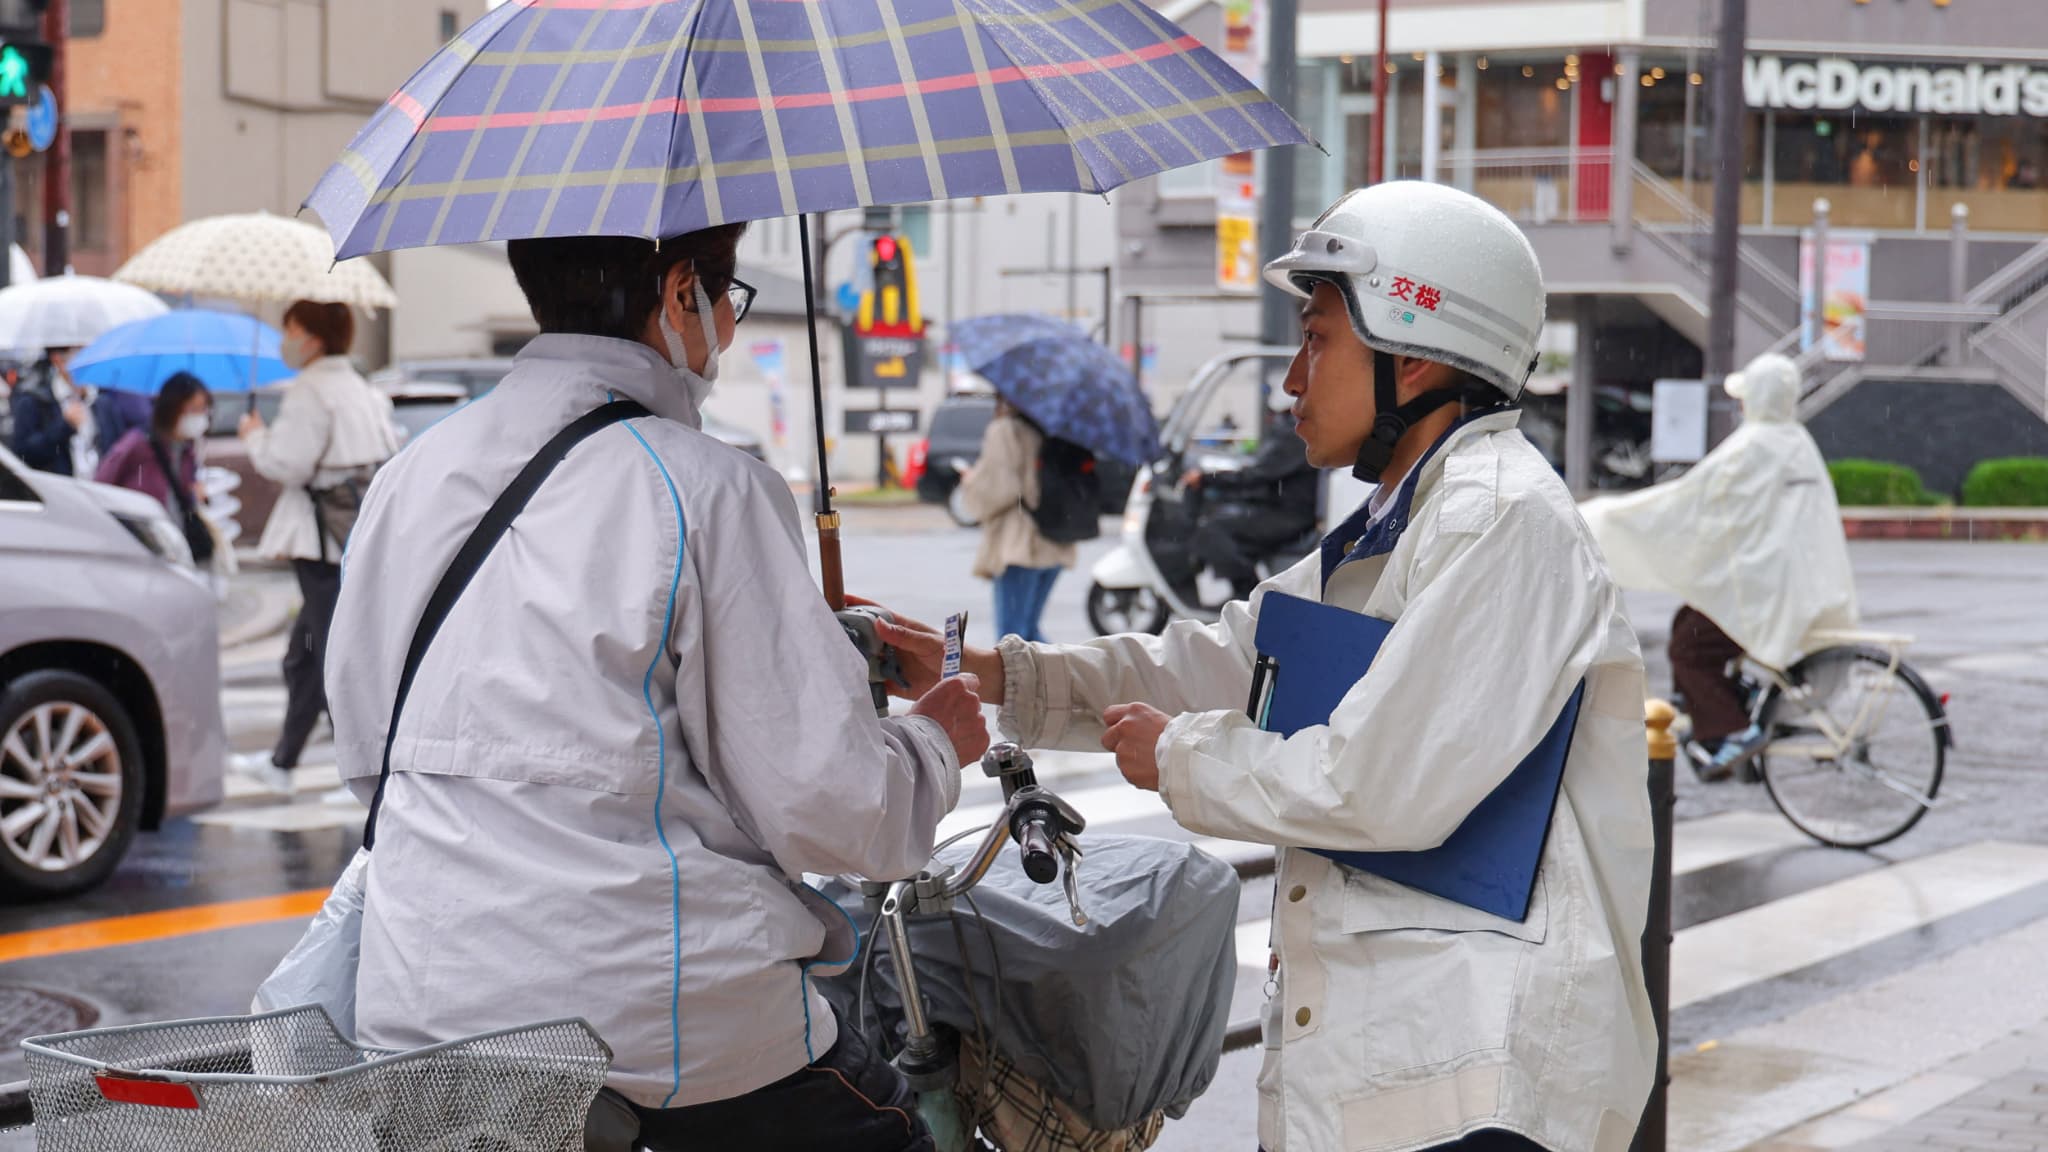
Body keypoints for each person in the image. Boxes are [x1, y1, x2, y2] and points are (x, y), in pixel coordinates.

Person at [876, 183, 1658, 1152]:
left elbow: (1381, 783)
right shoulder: (1397, 526)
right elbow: (1220, 661)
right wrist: (996, 674)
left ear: (1412, 353)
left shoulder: (1499, 519)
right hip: (1409, 1057)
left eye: (1317, 340)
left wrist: (1181, 756)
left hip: (1477, 1078)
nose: (1291, 379)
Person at [324, 226, 986, 1152]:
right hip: (656, 1029)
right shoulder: (711, 488)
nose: (726, 326)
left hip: (424, 1010)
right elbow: (835, 811)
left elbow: (369, 749)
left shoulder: (409, 477)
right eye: (726, 298)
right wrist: (935, 741)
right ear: (680, 296)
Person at [1582, 353, 1856, 779]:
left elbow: (1689, 500)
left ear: (1757, 397)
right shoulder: (1797, 440)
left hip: (1765, 589)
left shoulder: (1753, 446)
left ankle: (1734, 732)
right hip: (1802, 582)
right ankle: (1717, 721)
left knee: (1688, 648)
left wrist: (1610, 518)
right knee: (1689, 621)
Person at [232, 301, 398, 799]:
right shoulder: (363, 388)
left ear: (313, 336)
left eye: (291, 330)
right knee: (304, 656)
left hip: (320, 536)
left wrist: (255, 438)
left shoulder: (310, 390)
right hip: (353, 531)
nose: (286, 340)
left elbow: (288, 463)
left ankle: (365, 773)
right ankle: (284, 760)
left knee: (333, 657)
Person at [956, 397, 1073, 642]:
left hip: (1019, 543)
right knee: (1029, 633)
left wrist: (970, 480)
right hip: (1055, 538)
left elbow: (999, 488)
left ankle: (1069, 668)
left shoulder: (1005, 430)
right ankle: (1065, 667)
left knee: (1011, 640)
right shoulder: (1055, 428)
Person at [1185, 397, 1318, 601]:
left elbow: (1259, 474)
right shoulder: (1294, 428)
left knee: (1213, 531)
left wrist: (1207, 479)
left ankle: (1251, 597)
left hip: (1288, 515)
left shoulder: (1294, 431)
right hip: (1284, 509)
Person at [93, 372, 216, 566]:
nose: (199, 416)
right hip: (141, 544)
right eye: (193, 409)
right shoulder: (138, 444)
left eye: (203, 409)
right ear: (173, 408)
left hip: (175, 544)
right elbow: (101, 485)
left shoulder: (187, 451)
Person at [8, 347, 127, 477]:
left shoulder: (103, 402)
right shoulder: (35, 400)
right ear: (57, 359)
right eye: (79, 353)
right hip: (58, 486)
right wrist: (64, 426)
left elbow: (118, 450)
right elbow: (23, 456)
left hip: (99, 485)